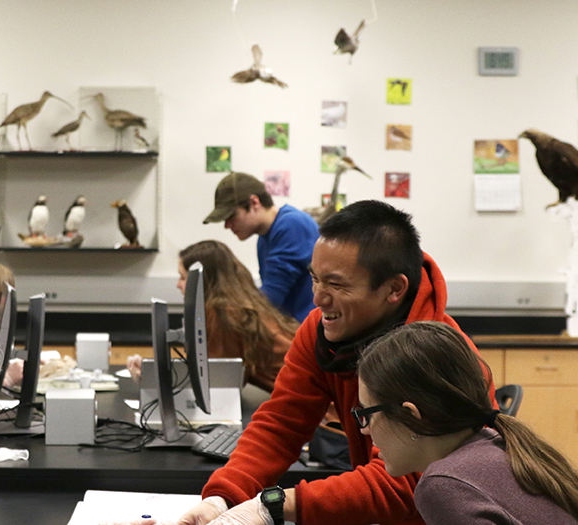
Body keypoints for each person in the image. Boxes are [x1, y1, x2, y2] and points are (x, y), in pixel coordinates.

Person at [178, 200, 496, 525]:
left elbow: (406, 486)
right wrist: (223, 496)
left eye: (336, 283)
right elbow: (282, 422)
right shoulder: (322, 331)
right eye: (314, 279)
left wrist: (272, 505)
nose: (317, 297)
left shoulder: (435, 356)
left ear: (394, 289)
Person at [356, 321, 578, 525]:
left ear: (410, 416)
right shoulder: (498, 448)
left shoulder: (444, 485)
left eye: (367, 413)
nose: (364, 429)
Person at [126, 240, 297, 391]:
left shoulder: (223, 313)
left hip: (307, 406)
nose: (178, 285)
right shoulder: (239, 304)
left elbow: (216, 381)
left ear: (202, 281)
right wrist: (154, 370)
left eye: (183, 278)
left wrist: (153, 378)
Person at [203, 172, 319, 323]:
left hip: (308, 334)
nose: (227, 225)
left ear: (254, 202)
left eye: (231, 216)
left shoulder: (291, 225)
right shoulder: (265, 237)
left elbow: (271, 298)